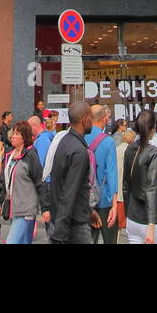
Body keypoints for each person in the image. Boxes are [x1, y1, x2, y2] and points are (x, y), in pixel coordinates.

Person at [44, 99, 100, 244]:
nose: (92, 122)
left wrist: (88, 211)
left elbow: (62, 185)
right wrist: (59, 234)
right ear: (85, 120)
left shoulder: (64, 142)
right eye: (91, 118)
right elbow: (69, 192)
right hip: (74, 226)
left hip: (63, 219)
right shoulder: (79, 151)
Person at [122, 110, 157, 244]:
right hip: (153, 218)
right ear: (153, 128)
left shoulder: (129, 149)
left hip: (133, 215)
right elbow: (152, 188)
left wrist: (127, 214)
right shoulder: (153, 152)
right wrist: (151, 225)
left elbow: (126, 186)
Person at [2, 120, 45, 244]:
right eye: (13, 133)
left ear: (24, 137)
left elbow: (39, 181)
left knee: (12, 241)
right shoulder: (9, 154)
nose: (13, 136)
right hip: (14, 206)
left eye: (16, 134)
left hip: (26, 207)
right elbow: (7, 180)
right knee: (25, 241)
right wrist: (1, 203)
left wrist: (45, 208)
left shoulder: (30, 155)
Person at [86, 103, 119, 244]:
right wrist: (115, 204)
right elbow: (111, 172)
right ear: (104, 119)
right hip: (104, 198)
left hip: (85, 199)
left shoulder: (80, 137)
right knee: (110, 239)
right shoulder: (108, 141)